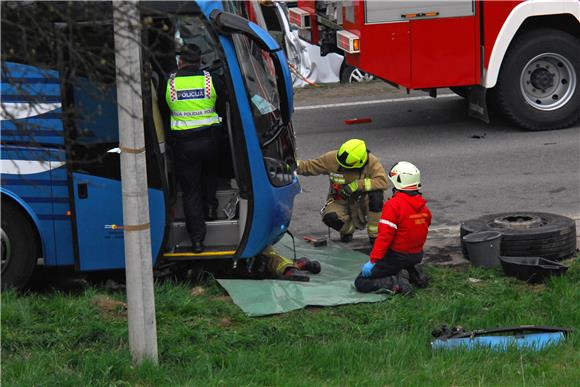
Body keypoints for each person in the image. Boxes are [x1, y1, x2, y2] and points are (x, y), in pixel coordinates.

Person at [164, 45, 222, 253]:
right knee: (210, 176)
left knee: (191, 192)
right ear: (200, 62)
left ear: (180, 62)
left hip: (184, 145)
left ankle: (197, 241)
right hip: (209, 141)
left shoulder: (169, 82)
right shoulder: (210, 80)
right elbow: (222, 103)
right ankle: (211, 208)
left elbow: (165, 113)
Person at [354, 161, 432, 294]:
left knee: (361, 282)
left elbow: (384, 237)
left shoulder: (393, 205)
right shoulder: (423, 207)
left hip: (398, 256)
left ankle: (394, 283)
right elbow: (423, 226)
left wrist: (373, 261)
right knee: (400, 262)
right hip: (416, 255)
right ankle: (413, 272)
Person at [297, 139, 388, 244]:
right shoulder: (331, 158)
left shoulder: (371, 162)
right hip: (339, 200)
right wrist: (289, 164)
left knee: (376, 196)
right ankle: (348, 230)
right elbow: (308, 166)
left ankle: (375, 236)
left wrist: (356, 186)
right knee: (330, 217)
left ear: (360, 162)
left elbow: (382, 181)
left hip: (362, 201)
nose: (343, 167)